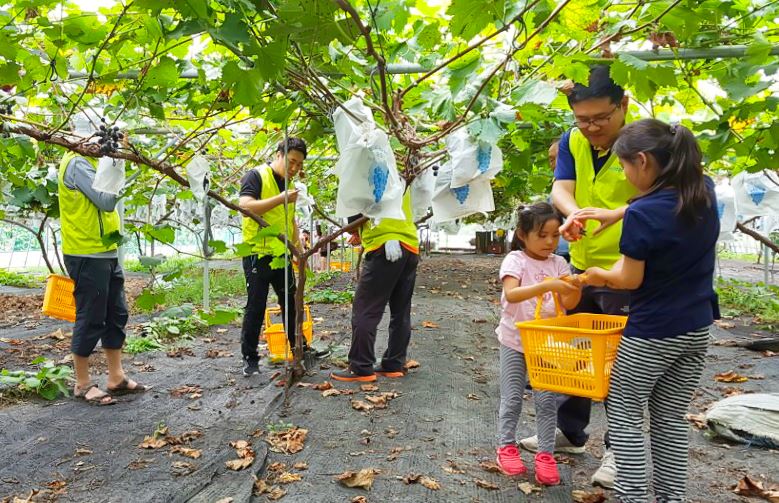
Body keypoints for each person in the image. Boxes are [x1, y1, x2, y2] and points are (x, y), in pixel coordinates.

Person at [582, 119, 719, 502]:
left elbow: (628, 279)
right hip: (695, 327)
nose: (624, 174)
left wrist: (597, 275)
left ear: (642, 161)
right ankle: (670, 498)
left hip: (653, 332)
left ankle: (634, 497)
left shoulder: (644, 214)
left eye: (624, 166)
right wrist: (618, 212)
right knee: (669, 417)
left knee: (624, 412)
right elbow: (662, 209)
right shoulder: (702, 190)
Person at [521, 65, 638, 489]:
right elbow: (561, 187)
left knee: (621, 364)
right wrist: (573, 215)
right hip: (582, 264)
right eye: (582, 119)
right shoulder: (574, 140)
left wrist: (615, 215)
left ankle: (618, 451)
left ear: (623, 106)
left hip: (628, 269)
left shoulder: (647, 139)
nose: (590, 128)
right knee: (574, 351)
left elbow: (667, 194)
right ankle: (571, 432)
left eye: (600, 119)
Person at [494, 202, 582, 485]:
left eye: (555, 236)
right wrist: (548, 286)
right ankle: (506, 446)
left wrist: (574, 287)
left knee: (546, 402)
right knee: (512, 397)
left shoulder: (559, 264)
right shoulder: (515, 261)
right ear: (522, 234)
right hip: (515, 341)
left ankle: (545, 454)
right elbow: (513, 294)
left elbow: (568, 303)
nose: (549, 242)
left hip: (548, 344)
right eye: (542, 235)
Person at [60, 129, 147, 405]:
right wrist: (118, 161)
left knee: (116, 313)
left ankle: (116, 377)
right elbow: (107, 201)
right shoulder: (77, 163)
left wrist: (118, 159)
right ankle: (82, 384)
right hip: (86, 252)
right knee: (91, 316)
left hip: (105, 252)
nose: (102, 146)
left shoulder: (93, 161)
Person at [238, 138, 325, 376]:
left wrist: (298, 249)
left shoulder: (289, 184)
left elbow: (290, 220)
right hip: (257, 253)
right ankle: (250, 358)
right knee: (255, 307)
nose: (295, 168)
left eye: (299, 165)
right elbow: (245, 206)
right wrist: (282, 197)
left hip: (282, 254)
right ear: (279, 154)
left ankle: (300, 349)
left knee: (291, 302)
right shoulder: (256, 176)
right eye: (292, 162)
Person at [330, 190, 419, 383]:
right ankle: (394, 364)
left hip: (384, 244)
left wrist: (354, 229)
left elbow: (357, 213)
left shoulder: (367, 169)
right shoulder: (402, 175)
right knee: (401, 310)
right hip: (409, 246)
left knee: (366, 309)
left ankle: (361, 367)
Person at [547, 140, 570, 262]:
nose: (555, 164)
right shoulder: (555, 189)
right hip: (560, 251)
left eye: (560, 158)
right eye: (551, 159)